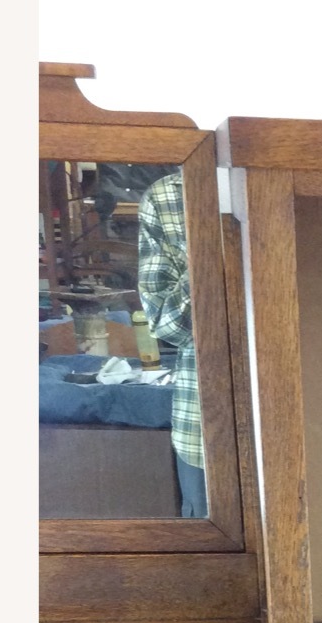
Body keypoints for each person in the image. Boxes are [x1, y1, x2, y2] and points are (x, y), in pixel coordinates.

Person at [137, 170, 206, 517]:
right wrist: (210, 249)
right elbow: (167, 327)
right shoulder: (167, 197)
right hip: (206, 428)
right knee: (214, 564)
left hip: (321, 412)